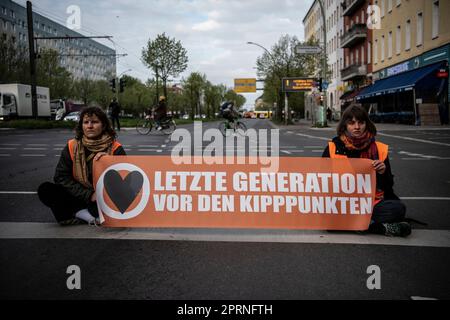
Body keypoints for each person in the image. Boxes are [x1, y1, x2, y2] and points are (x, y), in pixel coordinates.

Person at [322, 104, 411, 237]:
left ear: (366, 124)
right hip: (342, 204)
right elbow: (321, 181)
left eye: (361, 123)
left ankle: (354, 224)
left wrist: (383, 172)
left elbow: (388, 186)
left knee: (397, 209)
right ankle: (379, 227)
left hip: (370, 204)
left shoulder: (379, 149)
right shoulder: (333, 148)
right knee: (326, 218)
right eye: (352, 123)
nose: (357, 127)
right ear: (345, 125)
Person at [38, 107, 126, 225]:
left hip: (103, 198)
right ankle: (86, 215)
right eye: (86, 122)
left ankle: (81, 214)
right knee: (46, 189)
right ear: (81, 125)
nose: (89, 126)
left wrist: (108, 162)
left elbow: (124, 182)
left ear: (103, 125)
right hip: (79, 195)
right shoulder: (72, 146)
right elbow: (61, 177)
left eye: (94, 122)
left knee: (114, 205)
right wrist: (88, 195)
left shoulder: (116, 148)